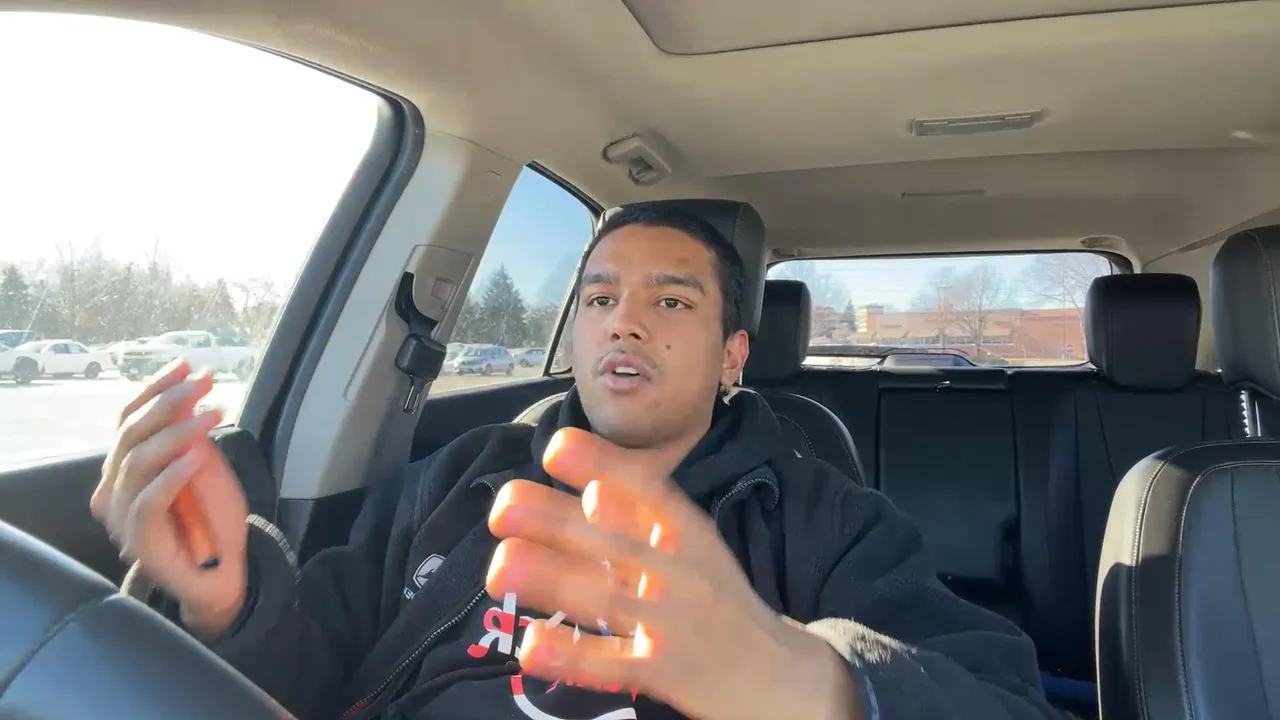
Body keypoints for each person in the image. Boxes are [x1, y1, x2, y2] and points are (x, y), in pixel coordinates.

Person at [92, 205, 1063, 720]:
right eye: (598, 299)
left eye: (670, 301)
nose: (623, 322)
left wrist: (811, 686)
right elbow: (315, 666)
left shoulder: (826, 521)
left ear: (733, 355)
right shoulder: (463, 477)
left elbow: (1004, 699)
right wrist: (224, 598)